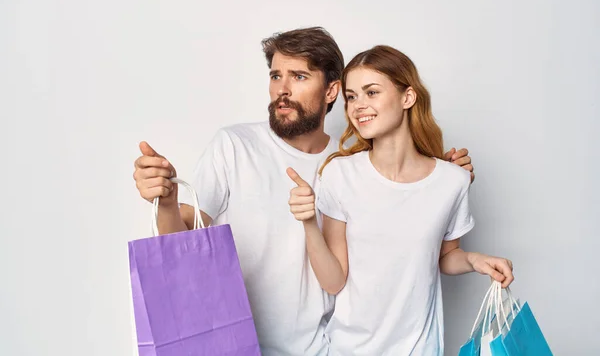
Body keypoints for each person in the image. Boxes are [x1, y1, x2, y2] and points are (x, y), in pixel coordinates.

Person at [132, 28, 474, 355]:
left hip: (327, 348)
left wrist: (438, 174)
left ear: (330, 91)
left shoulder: (350, 165)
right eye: (275, 75)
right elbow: (182, 244)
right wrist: (167, 201)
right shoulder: (235, 146)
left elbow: (400, 222)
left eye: (299, 77)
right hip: (238, 344)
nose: (282, 88)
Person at [287, 45, 512, 355]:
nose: (358, 106)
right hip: (349, 348)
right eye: (351, 97)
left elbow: (445, 255)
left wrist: (475, 260)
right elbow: (334, 281)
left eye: (371, 92)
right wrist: (309, 223)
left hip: (420, 348)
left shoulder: (452, 181)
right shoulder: (340, 174)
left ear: (407, 97)